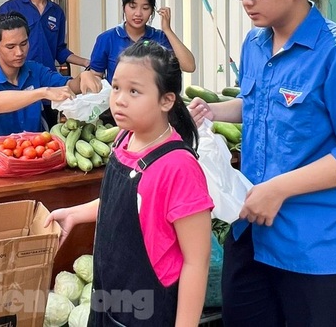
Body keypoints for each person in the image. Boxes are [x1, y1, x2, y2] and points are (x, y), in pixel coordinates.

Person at [188, 0, 336, 327]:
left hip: (317, 246)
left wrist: (278, 189)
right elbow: (260, 105)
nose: (246, 1)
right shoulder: (255, 45)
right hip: (252, 232)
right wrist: (211, 111)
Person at [45, 41, 213, 326]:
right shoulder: (125, 139)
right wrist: (75, 214)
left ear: (166, 100)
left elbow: (196, 261)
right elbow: (125, 205)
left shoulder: (179, 167)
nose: (120, 99)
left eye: (134, 91)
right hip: (108, 301)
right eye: (117, 88)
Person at [0, 12, 102, 142]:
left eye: (24, 44)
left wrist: (83, 77)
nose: (19, 52)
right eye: (11, 47)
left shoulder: (35, 70)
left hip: (33, 155)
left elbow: (67, 85)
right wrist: (42, 92)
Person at [88, 0, 196, 84]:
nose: (138, 13)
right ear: (124, 7)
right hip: (119, 101)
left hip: (153, 101)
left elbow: (189, 66)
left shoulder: (160, 38)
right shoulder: (107, 39)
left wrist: (167, 30)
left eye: (145, 8)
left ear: (152, 11)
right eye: (133, 7)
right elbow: (95, 76)